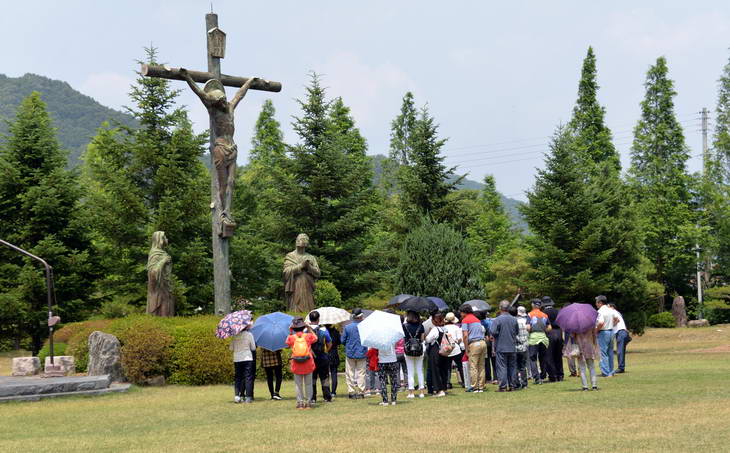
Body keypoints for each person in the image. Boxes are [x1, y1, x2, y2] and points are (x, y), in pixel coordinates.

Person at [285, 317, 318, 409]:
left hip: (296, 363)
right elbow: (316, 338)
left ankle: (300, 403)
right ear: (303, 327)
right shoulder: (308, 336)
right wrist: (309, 327)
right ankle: (308, 403)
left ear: (294, 328)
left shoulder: (292, 338)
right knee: (308, 384)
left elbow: (287, 342)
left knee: (298, 385)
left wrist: (290, 331)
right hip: (308, 362)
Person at [490, 300, 519, 391]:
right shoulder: (514, 319)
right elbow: (517, 332)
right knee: (512, 367)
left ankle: (502, 386)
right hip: (512, 346)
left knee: (502, 367)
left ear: (500, 308)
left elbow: (493, 332)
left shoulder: (497, 319)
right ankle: (512, 385)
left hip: (501, 346)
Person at [341, 308, 368, 399]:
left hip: (350, 352)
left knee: (350, 374)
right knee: (361, 373)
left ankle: (352, 392)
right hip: (362, 352)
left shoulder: (347, 327)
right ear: (360, 316)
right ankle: (361, 392)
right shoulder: (365, 326)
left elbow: (342, 340)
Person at [460, 304, 487, 393]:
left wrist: (466, 347)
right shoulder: (477, 319)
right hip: (483, 343)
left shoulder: (465, 320)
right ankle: (481, 386)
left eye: (461, 312)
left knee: (473, 366)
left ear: (464, 312)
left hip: (474, 344)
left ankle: (474, 387)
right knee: (481, 366)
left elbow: (465, 335)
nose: (460, 314)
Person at [308, 311, 332, 404]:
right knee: (324, 378)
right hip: (322, 357)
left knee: (312, 379)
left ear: (310, 319)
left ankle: (313, 398)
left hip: (310, 358)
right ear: (318, 319)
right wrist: (326, 351)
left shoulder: (306, 330)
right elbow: (329, 343)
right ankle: (327, 397)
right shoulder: (323, 330)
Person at [402, 310, 426, 398]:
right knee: (420, 371)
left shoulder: (404, 326)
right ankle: (422, 392)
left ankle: (411, 392)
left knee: (410, 371)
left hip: (408, 350)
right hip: (419, 350)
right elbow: (422, 339)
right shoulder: (421, 326)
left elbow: (403, 338)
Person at [425, 312, 449, 397]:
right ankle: (444, 388)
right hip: (444, 351)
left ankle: (439, 390)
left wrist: (428, 333)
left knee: (435, 371)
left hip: (435, 351)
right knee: (443, 371)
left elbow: (428, 340)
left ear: (434, 320)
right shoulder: (445, 328)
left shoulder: (435, 329)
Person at [231, 324, 256, 403]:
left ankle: (237, 396)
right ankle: (248, 397)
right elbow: (253, 348)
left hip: (237, 358)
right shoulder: (249, 335)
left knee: (238, 377)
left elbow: (231, 348)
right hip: (247, 358)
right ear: (246, 327)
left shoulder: (234, 336)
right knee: (248, 377)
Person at [528, 299, 551, 384]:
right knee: (543, 358)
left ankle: (537, 378)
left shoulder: (530, 314)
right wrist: (543, 329)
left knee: (533, 358)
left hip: (534, 338)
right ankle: (543, 375)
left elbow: (528, 327)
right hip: (543, 338)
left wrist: (531, 330)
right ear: (540, 306)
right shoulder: (544, 315)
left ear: (532, 305)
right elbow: (549, 327)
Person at [542, 296, 565, 382]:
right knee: (558, 355)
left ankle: (553, 375)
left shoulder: (543, 312)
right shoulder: (557, 311)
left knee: (549, 355)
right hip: (558, 332)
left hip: (549, 333)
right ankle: (560, 375)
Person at [595, 295, 617, 377]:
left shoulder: (600, 311)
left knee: (603, 353)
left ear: (600, 303)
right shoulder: (610, 310)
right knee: (610, 352)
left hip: (603, 332)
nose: (596, 304)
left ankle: (605, 372)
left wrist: (596, 331)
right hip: (611, 331)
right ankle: (611, 371)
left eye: (597, 302)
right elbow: (617, 319)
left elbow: (600, 322)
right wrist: (611, 325)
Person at [444, 312, 465, 388]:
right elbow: (459, 339)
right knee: (460, 366)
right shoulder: (456, 328)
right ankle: (464, 381)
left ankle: (447, 382)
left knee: (447, 367)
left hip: (447, 349)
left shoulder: (444, 328)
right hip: (456, 349)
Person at [609, 302, 631, 374]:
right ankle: (621, 367)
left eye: (608, 306)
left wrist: (611, 325)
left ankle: (621, 368)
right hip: (623, 332)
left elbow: (617, 320)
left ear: (612, 307)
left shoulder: (613, 311)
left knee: (620, 351)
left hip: (620, 332)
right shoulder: (618, 313)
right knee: (621, 350)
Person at [514, 306, 531, 389]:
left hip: (516, 346)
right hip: (525, 346)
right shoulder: (527, 321)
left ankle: (517, 384)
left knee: (516, 366)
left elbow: (514, 334)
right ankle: (525, 384)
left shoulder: (515, 321)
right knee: (523, 366)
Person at [325, 324, 341, 397]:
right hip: (334, 353)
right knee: (334, 373)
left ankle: (327, 391)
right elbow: (339, 342)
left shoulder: (323, 332)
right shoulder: (336, 332)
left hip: (325, 353)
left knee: (325, 374)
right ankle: (333, 392)